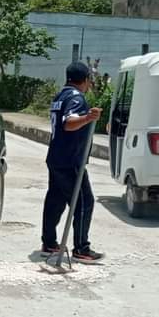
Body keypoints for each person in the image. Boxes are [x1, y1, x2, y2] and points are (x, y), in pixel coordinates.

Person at [41, 61, 104, 262]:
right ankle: (81, 248)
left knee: (56, 200)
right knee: (84, 202)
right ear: (85, 80)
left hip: (56, 157)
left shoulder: (60, 96)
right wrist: (88, 117)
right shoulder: (76, 97)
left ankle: (49, 243)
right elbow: (69, 123)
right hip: (70, 160)